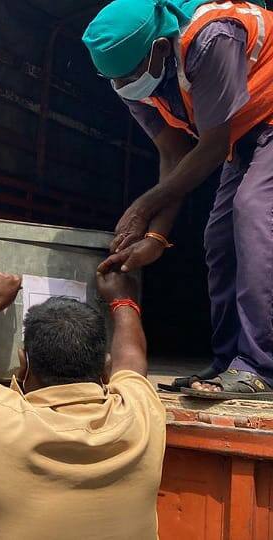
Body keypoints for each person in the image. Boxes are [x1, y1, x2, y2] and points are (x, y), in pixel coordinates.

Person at [82, 0, 273, 399]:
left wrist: (143, 207)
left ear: (161, 48)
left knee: (253, 213)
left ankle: (261, 365)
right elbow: (173, 152)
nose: (123, 86)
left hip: (262, 121)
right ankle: (229, 362)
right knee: (218, 240)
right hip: (243, 135)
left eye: (131, 75)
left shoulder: (211, 38)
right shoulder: (131, 77)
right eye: (114, 79)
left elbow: (210, 145)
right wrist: (155, 239)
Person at [0, 271, 165, 540]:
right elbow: (131, 360)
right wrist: (123, 301)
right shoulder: (140, 416)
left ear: (24, 364)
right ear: (106, 369)